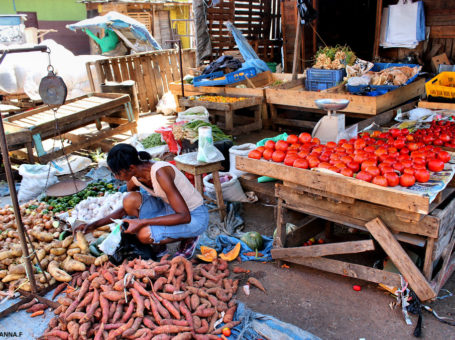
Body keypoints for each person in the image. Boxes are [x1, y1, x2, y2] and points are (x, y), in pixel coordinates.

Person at [75, 144, 209, 259]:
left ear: (131, 167)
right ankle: (161, 242)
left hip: (194, 215)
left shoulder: (160, 173)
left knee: (144, 234)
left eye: (117, 173)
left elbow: (184, 216)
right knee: (129, 200)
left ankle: (190, 237)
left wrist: (142, 222)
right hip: (168, 208)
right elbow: (124, 210)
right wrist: (93, 225)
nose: (116, 177)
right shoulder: (135, 176)